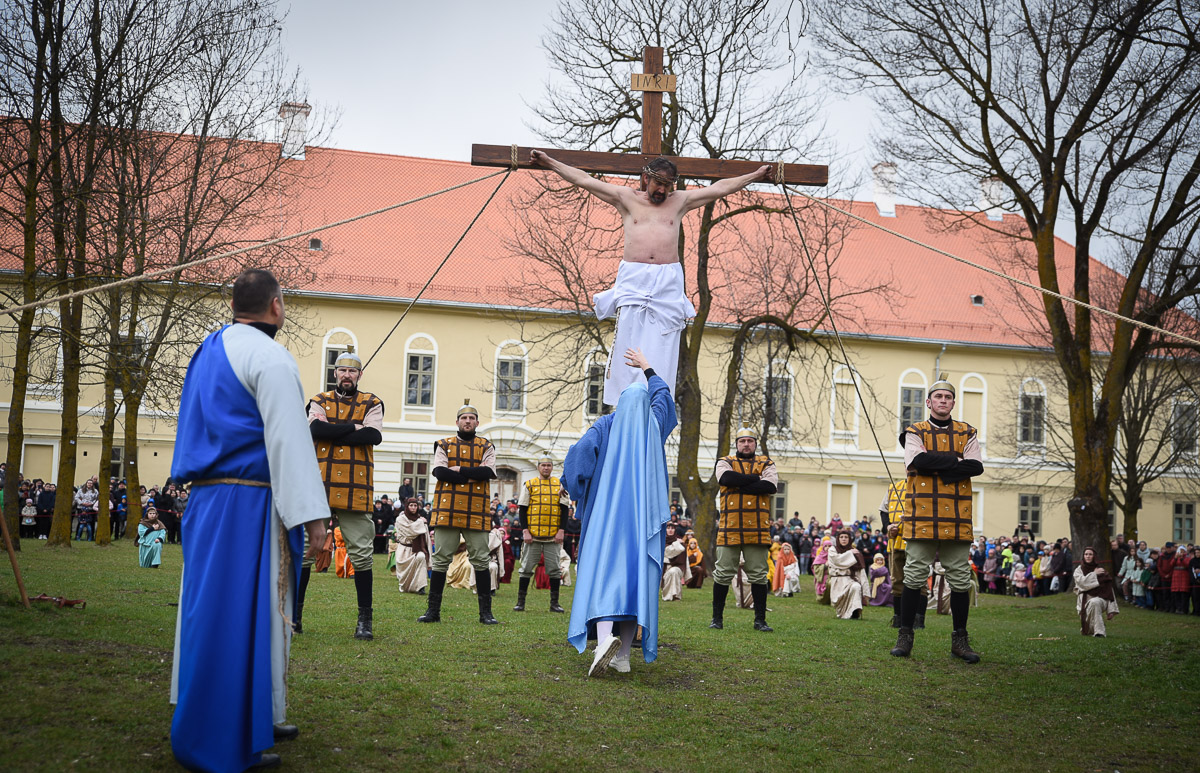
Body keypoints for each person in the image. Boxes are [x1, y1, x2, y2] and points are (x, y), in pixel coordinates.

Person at [169, 268, 329, 773]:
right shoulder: (270, 357)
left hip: (206, 502)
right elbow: (289, 443)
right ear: (276, 305)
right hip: (247, 505)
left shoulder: (208, 349)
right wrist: (315, 519)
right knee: (239, 615)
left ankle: (261, 712)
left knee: (215, 612)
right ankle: (222, 736)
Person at [530, 150, 771, 406]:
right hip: (634, 280)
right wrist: (549, 162)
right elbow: (584, 180)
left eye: (668, 185)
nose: (662, 191)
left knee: (663, 347)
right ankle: (624, 404)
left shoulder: (679, 202)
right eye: (659, 184)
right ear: (647, 178)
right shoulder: (626, 199)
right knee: (628, 343)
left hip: (667, 283)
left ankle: (658, 402)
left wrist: (755, 175)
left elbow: (719, 188)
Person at [564, 348, 676, 676]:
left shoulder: (607, 424)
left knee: (604, 576)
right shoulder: (654, 424)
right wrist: (648, 367)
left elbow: (581, 455)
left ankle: (602, 643)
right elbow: (663, 398)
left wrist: (573, 486)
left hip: (607, 520)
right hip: (643, 525)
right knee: (634, 585)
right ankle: (623, 655)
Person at [890, 380, 984, 663]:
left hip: (957, 517)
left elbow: (976, 466)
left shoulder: (967, 432)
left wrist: (934, 464)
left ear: (953, 402)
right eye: (938, 396)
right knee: (914, 575)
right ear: (929, 402)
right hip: (921, 516)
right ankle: (905, 636)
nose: (943, 400)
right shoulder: (914, 432)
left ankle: (960, 640)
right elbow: (917, 461)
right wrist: (956, 463)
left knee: (960, 578)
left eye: (948, 397)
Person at [299, 347, 384, 639]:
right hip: (318, 487)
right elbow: (314, 430)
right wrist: (353, 427)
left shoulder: (372, 402)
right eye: (343, 370)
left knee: (362, 555)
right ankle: (294, 617)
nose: (347, 375)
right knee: (305, 552)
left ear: (360, 374)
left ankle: (364, 621)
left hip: (355, 489)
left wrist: (333, 429)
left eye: (352, 371)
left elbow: (373, 435)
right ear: (335, 373)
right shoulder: (319, 400)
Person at [419, 399, 500, 625]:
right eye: (464, 418)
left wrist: (459, 470)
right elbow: (440, 472)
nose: (468, 421)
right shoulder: (443, 445)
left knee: (481, 561)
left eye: (471, 418)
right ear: (457, 422)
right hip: (448, 510)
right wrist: (472, 477)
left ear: (477, 423)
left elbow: (487, 472)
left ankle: (486, 613)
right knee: (440, 560)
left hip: (477, 511)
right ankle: (433, 611)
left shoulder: (487, 446)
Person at [709, 427, 778, 632]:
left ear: (755, 443)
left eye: (750, 441)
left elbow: (770, 486)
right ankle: (716, 619)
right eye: (742, 441)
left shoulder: (767, 463)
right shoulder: (725, 461)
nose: (746, 444)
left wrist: (739, 484)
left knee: (758, 575)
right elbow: (725, 479)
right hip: (730, 527)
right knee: (722, 574)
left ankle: (760, 621)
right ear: (737, 444)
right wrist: (756, 479)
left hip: (758, 529)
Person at [513, 455, 569, 613]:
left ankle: (554, 604)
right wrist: (525, 531)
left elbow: (564, 510)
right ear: (538, 467)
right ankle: (520, 602)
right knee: (526, 569)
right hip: (533, 536)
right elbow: (523, 509)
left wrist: (561, 530)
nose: (546, 468)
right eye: (543, 465)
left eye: (548, 465)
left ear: (552, 467)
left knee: (555, 570)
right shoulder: (530, 484)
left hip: (552, 536)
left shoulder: (560, 485)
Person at [1073, 547, 1119, 636]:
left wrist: (1111, 609)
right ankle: (1090, 629)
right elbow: (1082, 583)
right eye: (1086, 554)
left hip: (1100, 599)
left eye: (1090, 554)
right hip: (1084, 599)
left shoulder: (1101, 571)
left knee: (1095, 602)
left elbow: (1108, 589)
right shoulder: (1078, 570)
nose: (1088, 556)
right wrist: (1094, 574)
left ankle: (1099, 632)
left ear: (1094, 556)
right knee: (1088, 620)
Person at [390, 498, 430, 594]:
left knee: (421, 557)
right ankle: (407, 586)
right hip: (404, 549)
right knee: (405, 575)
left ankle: (420, 587)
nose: (413, 508)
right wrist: (421, 523)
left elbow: (427, 537)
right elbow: (410, 532)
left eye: (415, 505)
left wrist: (428, 553)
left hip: (417, 548)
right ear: (407, 507)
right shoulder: (400, 519)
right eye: (411, 505)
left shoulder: (421, 519)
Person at [827, 529, 868, 619]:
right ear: (838, 539)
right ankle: (842, 613)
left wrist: (864, 584)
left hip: (850, 579)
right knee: (840, 601)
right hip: (837, 579)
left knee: (856, 587)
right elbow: (837, 561)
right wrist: (850, 554)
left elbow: (859, 569)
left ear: (849, 539)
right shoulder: (832, 549)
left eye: (846, 537)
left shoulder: (855, 551)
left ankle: (855, 611)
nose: (844, 539)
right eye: (841, 537)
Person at [661, 523, 689, 601]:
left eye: (672, 528)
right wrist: (676, 543)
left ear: (675, 530)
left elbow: (681, 549)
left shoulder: (680, 541)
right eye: (668, 528)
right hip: (665, 567)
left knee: (673, 572)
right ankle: (667, 596)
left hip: (678, 567)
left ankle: (676, 595)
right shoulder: (662, 541)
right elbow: (667, 552)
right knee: (669, 573)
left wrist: (677, 543)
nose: (670, 530)